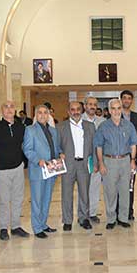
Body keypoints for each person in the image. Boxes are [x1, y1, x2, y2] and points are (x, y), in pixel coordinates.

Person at [0, 101, 29, 241]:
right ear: (2, 110)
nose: (9, 109)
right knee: (3, 200)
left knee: (18, 198)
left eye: (12, 107)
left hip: (17, 167)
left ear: (15, 110)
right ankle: (3, 228)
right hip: (1, 170)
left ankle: (16, 226)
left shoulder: (21, 127)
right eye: (6, 107)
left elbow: (24, 146)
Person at [94, 99, 137, 229]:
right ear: (109, 110)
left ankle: (123, 218)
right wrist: (101, 163)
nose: (116, 111)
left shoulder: (129, 125)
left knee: (125, 191)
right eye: (113, 108)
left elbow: (133, 144)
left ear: (121, 109)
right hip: (109, 161)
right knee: (110, 192)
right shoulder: (103, 126)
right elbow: (99, 146)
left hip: (125, 161)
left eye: (119, 108)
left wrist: (132, 160)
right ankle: (111, 219)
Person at [23, 105, 64, 238]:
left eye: (45, 113)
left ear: (49, 115)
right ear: (36, 115)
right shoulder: (30, 130)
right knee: (37, 200)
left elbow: (56, 147)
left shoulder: (53, 130)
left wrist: (61, 154)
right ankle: (37, 228)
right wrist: (37, 160)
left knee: (47, 199)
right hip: (38, 170)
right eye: (39, 113)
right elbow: (27, 149)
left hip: (51, 169)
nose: (42, 115)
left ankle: (43, 223)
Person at [57, 101, 96, 231]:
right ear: (68, 112)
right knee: (66, 193)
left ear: (82, 110)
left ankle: (84, 218)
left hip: (84, 164)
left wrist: (95, 163)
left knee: (84, 193)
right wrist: (59, 153)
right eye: (73, 110)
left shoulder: (90, 126)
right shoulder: (60, 127)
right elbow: (56, 145)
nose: (76, 112)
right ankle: (67, 220)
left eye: (78, 109)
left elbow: (95, 146)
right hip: (68, 164)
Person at [118, 90, 137, 220]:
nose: (127, 100)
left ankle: (129, 212)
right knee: (117, 186)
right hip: (117, 157)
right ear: (121, 100)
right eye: (124, 98)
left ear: (132, 100)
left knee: (130, 186)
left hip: (132, 157)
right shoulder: (115, 116)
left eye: (129, 98)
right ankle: (118, 212)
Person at [82, 96, 106, 223]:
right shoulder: (78, 120)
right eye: (90, 104)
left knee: (95, 187)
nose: (92, 107)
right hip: (82, 160)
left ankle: (92, 213)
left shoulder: (102, 122)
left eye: (94, 105)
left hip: (97, 159)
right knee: (82, 188)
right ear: (85, 106)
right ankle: (82, 213)